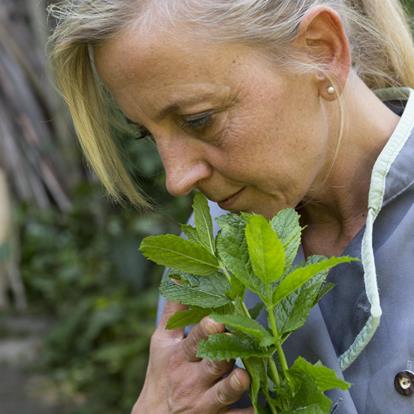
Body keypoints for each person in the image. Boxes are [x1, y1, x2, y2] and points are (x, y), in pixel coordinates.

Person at [47, 1, 414, 412]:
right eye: (147, 135)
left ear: (321, 51)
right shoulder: (215, 251)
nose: (177, 179)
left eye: (199, 119)